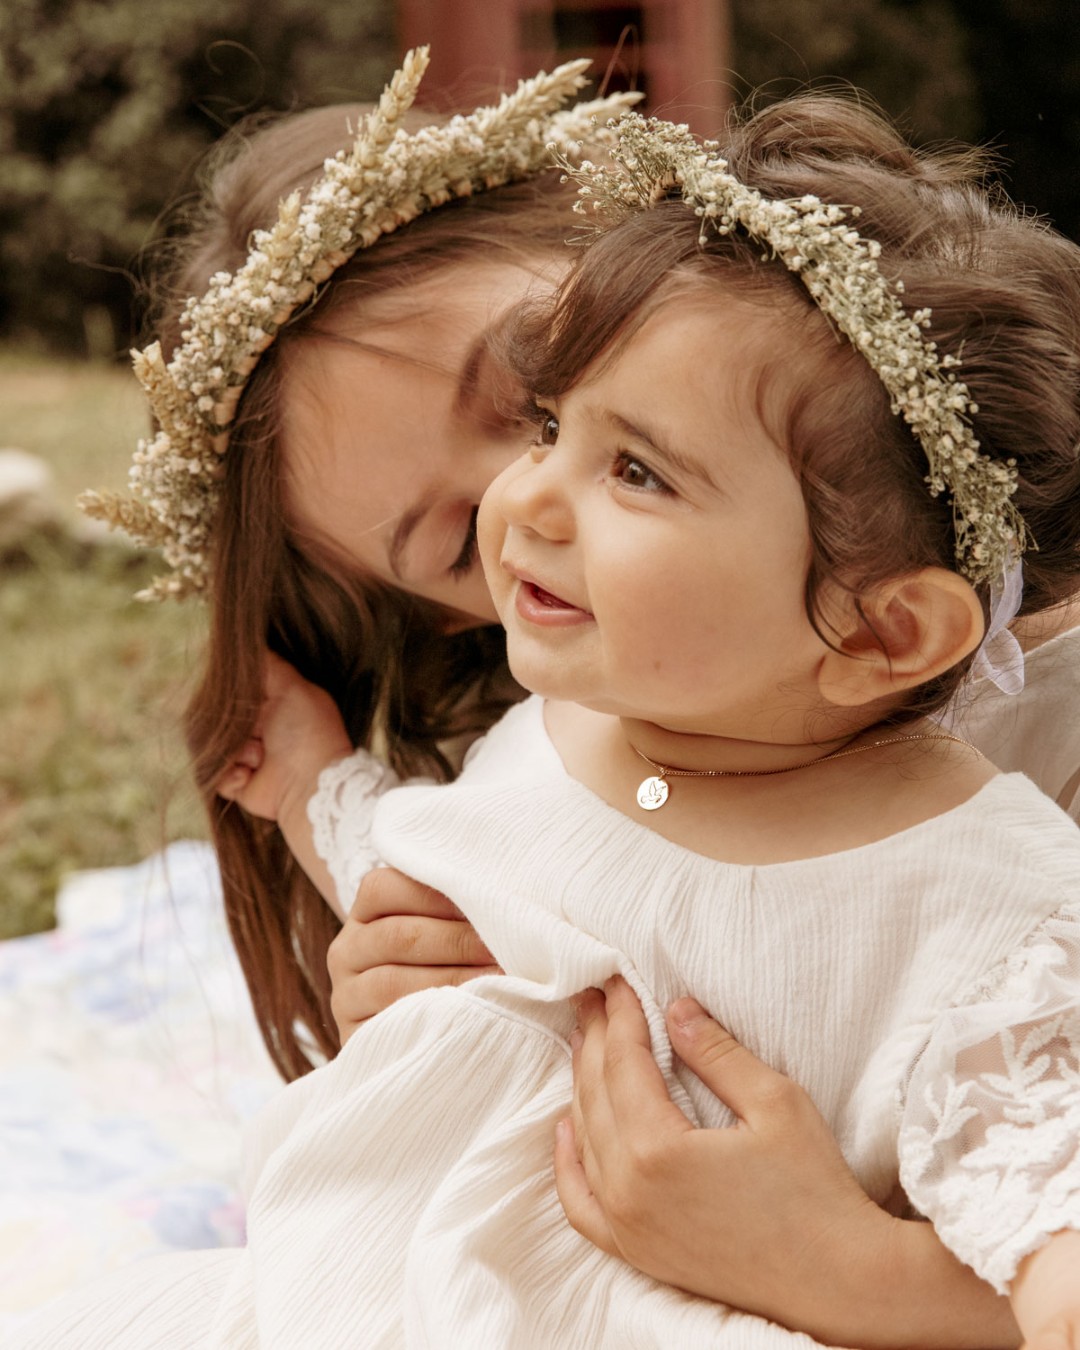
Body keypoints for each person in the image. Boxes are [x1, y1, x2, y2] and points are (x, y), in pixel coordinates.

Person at [24, 83, 1080, 1349]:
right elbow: (472, 856)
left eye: (535, 398)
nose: (518, 505)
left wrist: (847, 1270)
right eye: (545, 438)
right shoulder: (611, 723)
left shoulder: (999, 895)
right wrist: (426, 989)